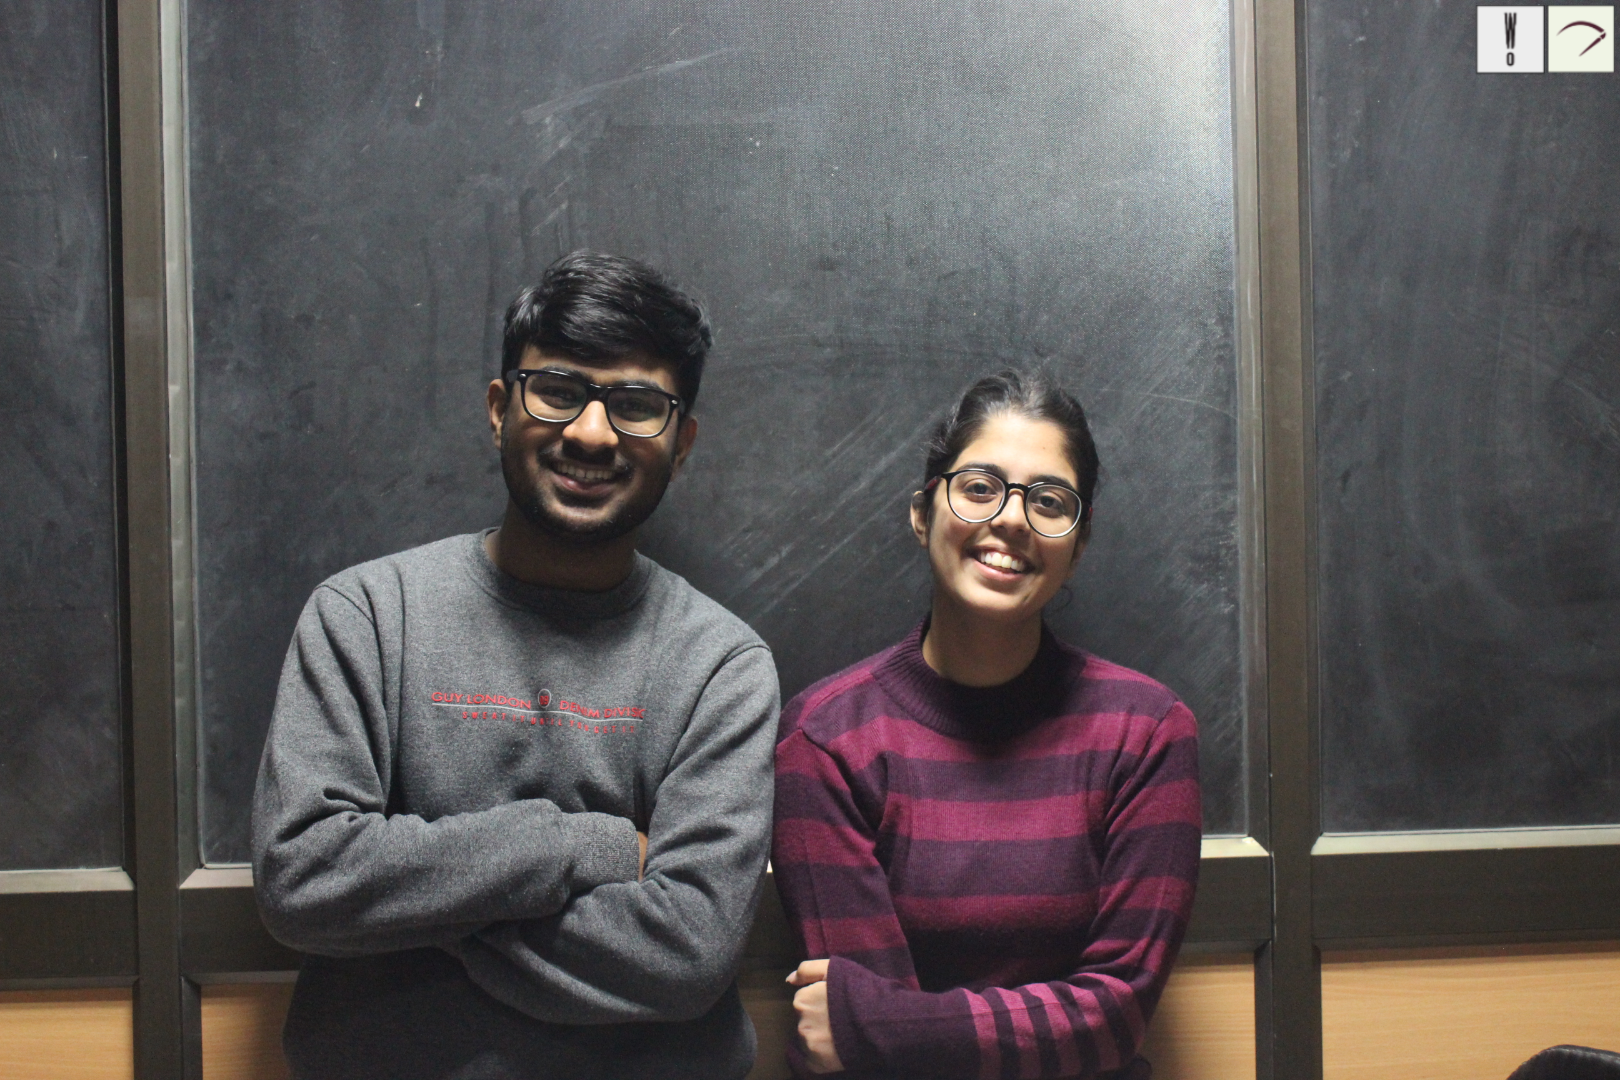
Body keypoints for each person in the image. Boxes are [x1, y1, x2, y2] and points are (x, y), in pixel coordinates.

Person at [251, 251, 780, 1080]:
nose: (591, 433)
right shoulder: (367, 616)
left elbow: (688, 951)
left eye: (636, 406)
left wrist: (415, 911)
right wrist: (586, 847)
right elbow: (304, 878)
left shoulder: (722, 666)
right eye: (558, 390)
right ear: (500, 409)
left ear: (681, 444)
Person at [771, 369, 1201, 1079]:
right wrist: (876, 1029)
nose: (1011, 519)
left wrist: (883, 1024)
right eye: (979, 488)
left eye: (1049, 501)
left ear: (1079, 545)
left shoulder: (1147, 732)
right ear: (922, 514)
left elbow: (1117, 1015)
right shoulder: (825, 737)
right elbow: (868, 1062)